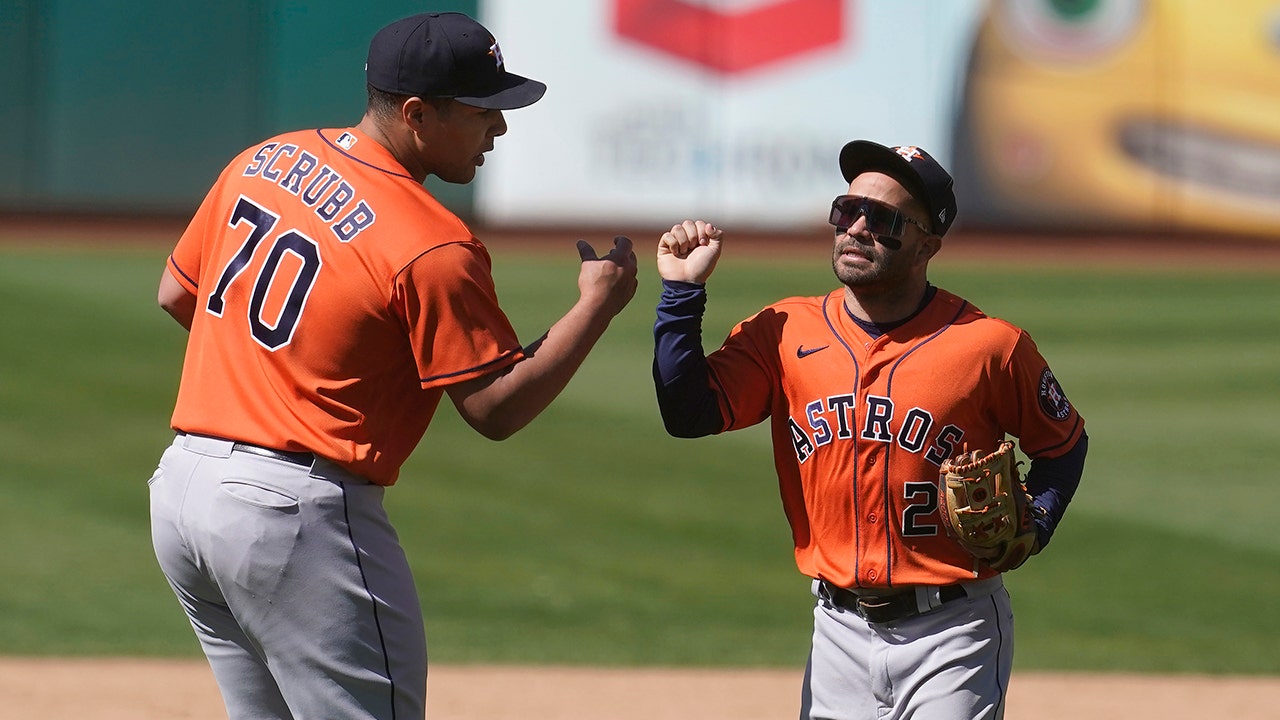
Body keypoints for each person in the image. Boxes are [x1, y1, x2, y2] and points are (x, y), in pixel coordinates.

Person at [148, 12, 637, 720]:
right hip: (293, 517)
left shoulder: (263, 157)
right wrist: (596, 306)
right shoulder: (432, 242)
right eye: (482, 111)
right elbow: (495, 409)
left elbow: (175, 293)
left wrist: (288, 366)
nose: (498, 129)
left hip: (183, 493)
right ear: (416, 113)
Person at [652, 141, 1087, 719]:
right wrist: (682, 294)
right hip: (836, 633)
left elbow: (1063, 444)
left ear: (928, 245)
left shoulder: (990, 346)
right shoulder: (783, 331)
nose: (856, 228)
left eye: (882, 219)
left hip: (953, 632)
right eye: (846, 210)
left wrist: (1039, 521)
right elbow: (687, 414)